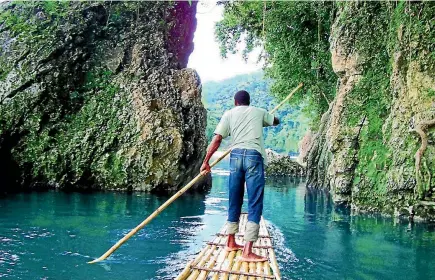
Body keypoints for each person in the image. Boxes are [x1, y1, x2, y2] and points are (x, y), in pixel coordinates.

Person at [200, 90, 279, 262]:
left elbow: (217, 139)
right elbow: (276, 121)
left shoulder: (229, 114)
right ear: (248, 102)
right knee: (255, 201)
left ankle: (231, 242)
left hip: (235, 157)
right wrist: (267, 119)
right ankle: (247, 251)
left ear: (235, 102)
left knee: (234, 198)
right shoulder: (259, 112)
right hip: (253, 156)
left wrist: (206, 161)